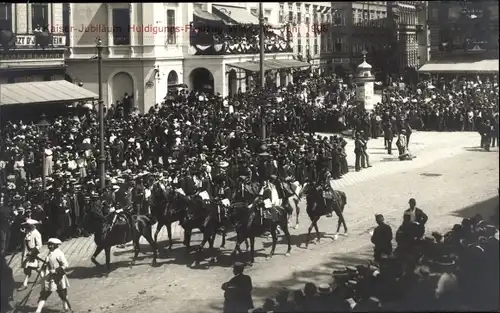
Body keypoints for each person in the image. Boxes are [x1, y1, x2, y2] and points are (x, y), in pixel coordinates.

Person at [36, 237, 71, 313]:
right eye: (48, 244)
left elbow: (65, 265)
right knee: (45, 293)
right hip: (50, 277)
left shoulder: (59, 253)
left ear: (55, 245)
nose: (49, 246)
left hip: (59, 277)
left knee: (62, 292)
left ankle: (65, 306)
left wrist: (55, 270)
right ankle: (38, 310)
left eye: (51, 245)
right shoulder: (50, 253)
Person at [19, 218, 43, 291]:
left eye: (28, 225)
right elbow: (26, 240)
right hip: (26, 253)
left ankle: (25, 284)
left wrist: (32, 252)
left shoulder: (36, 233)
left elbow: (39, 245)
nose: (27, 227)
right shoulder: (28, 231)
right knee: (29, 269)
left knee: (34, 268)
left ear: (32, 225)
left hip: (32, 254)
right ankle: (25, 283)